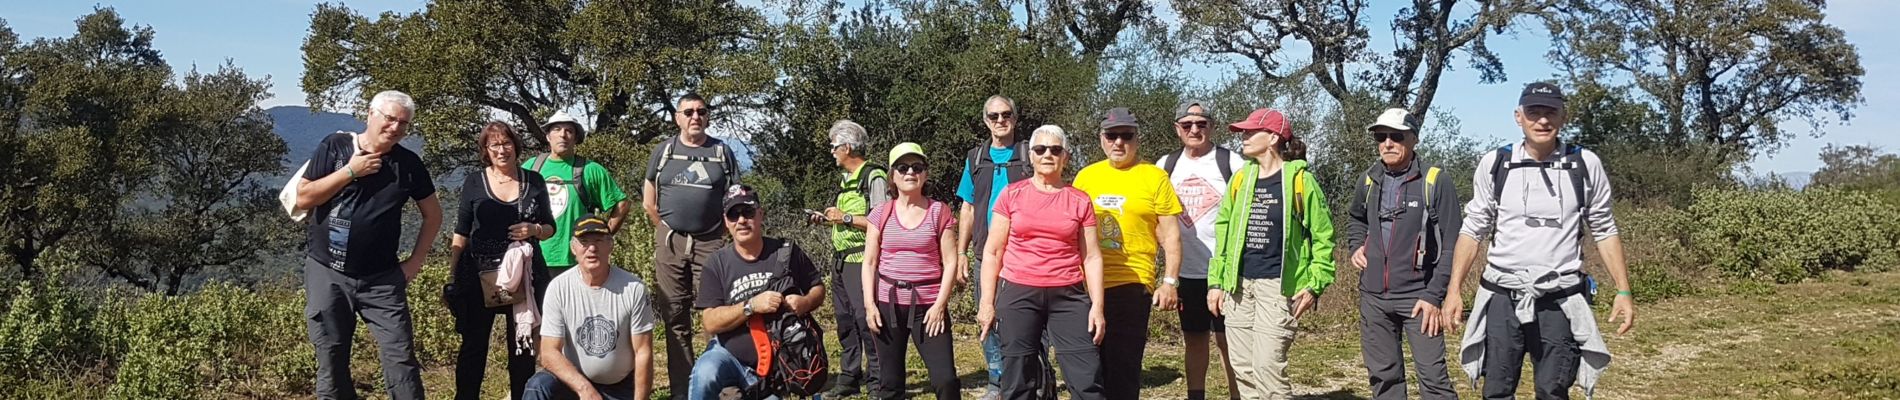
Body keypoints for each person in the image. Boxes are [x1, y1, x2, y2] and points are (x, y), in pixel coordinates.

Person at [1441, 82, 1636, 400]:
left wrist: (1623, 291)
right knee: (1497, 390)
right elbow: (1473, 229)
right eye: (1534, 112)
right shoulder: (1496, 164)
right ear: (1519, 116)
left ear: (1564, 117)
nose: (1542, 120)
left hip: (1560, 298)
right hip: (1502, 295)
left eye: (1550, 112)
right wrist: (1453, 292)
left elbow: (1604, 229)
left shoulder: (1584, 164)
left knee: (1552, 389)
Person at [291, 90, 441, 400]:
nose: (396, 128)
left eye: (403, 123)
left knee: (400, 358)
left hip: (382, 279)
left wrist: (414, 263)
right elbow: (304, 197)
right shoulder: (335, 146)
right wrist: (350, 171)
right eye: (390, 119)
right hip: (326, 271)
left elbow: (434, 216)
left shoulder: (408, 164)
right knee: (331, 357)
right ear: (370, 114)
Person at [1205, 108, 1337, 400]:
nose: (1244, 137)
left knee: (1268, 369)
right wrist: (1216, 282)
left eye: (1251, 132)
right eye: (1244, 132)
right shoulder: (1241, 179)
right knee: (1243, 369)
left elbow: (1324, 237)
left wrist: (1315, 284)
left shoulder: (1301, 181)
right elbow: (1223, 231)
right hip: (1238, 288)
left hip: (1277, 289)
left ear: (1274, 137)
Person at [976, 125, 1107, 400]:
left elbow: (1092, 256)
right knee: (1018, 379)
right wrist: (987, 303)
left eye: (1055, 149)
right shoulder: (1012, 195)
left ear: (1066, 158)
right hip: (1019, 292)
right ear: (1031, 156)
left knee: (1086, 379)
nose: (1048, 154)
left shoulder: (1079, 200)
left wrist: (1097, 306)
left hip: (1068, 295)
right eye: (1040, 149)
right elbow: (993, 252)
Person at [1342, 108, 1459, 400]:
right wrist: (1356, 245)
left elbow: (1452, 243)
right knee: (1384, 379)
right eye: (1381, 137)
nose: (1387, 143)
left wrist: (1434, 296)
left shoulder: (1434, 180)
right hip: (1373, 297)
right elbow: (1355, 218)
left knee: (1434, 382)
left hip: (1419, 297)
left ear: (1414, 139)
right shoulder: (1369, 180)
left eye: (1396, 136)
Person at [1072, 108, 1184, 400]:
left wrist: (1169, 281)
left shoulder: (1154, 177)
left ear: (1137, 139)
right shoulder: (1086, 177)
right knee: (1086, 371)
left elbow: (1170, 235)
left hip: (1132, 284)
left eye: (1126, 135)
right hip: (1085, 286)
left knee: (1123, 370)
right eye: (1112, 135)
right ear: (1101, 139)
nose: (1118, 142)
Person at [446, 122, 558, 400]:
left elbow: (550, 227)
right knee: (473, 345)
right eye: (494, 144)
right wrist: (452, 276)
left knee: (522, 345)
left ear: (516, 146)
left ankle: (522, 396)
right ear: (486, 150)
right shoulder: (474, 181)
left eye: (506, 143)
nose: (501, 149)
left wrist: (534, 230)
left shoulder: (534, 181)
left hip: (526, 275)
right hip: (478, 273)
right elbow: (461, 231)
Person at [642, 93, 742, 399]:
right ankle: (682, 390)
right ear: (678, 117)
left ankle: (720, 384)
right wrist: (665, 229)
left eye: (701, 111)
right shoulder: (664, 152)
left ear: (708, 116)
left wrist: (725, 235)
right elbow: (649, 199)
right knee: (675, 316)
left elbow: (735, 197)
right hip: (671, 242)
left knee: (717, 313)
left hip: (711, 241)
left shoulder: (721, 151)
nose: (695, 116)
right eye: (688, 112)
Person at [687, 185, 827, 400]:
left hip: (782, 365)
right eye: (733, 215)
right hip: (730, 356)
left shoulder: (786, 252)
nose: (741, 220)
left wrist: (805, 302)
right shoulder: (717, 263)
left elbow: (818, 288)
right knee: (705, 374)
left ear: (760, 214)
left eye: (748, 212)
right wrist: (750, 306)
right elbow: (710, 322)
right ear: (726, 221)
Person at [1153, 100, 1245, 400]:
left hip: (1225, 271)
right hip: (1185, 271)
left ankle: (1238, 395)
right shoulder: (1165, 165)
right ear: (1177, 129)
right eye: (1187, 124)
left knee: (1228, 340)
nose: (1195, 129)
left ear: (1212, 127)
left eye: (1201, 124)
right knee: (1193, 338)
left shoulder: (1232, 162)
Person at [861, 143, 962, 400]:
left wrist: (940, 305)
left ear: (925, 174)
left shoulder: (939, 212)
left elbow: (950, 262)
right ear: (892, 175)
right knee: (890, 382)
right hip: (888, 305)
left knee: (945, 380)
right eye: (903, 167)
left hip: (928, 307)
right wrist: (869, 305)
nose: (910, 173)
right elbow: (870, 261)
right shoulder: (880, 213)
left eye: (917, 167)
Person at [523, 214, 658, 400]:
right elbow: (548, 352)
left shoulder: (634, 288)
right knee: (537, 387)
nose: (592, 248)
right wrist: (584, 389)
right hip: (573, 383)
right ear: (573, 248)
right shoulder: (558, 288)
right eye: (584, 242)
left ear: (610, 245)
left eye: (599, 240)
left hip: (620, 387)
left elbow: (643, 352)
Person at [955, 95, 1034, 400]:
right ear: (985, 120)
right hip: (983, 255)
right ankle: (996, 380)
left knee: (1027, 320)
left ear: (1015, 117)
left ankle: (1033, 376)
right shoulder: (975, 158)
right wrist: (961, 252)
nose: (1000, 121)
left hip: (1024, 255)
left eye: (1006, 115)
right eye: (994, 116)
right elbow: (968, 207)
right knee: (986, 316)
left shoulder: (1030, 154)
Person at [818, 120, 890, 398]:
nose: (832, 151)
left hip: (862, 260)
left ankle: (878, 382)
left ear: (847, 147)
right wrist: (829, 220)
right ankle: (849, 377)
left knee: (866, 320)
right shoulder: (847, 180)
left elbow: (881, 221)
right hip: (841, 261)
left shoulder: (874, 177)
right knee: (845, 320)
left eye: (834, 146)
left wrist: (845, 218)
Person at [525, 111, 633, 278]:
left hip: (575, 260)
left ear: (575, 138)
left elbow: (622, 204)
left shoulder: (590, 169)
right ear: (548, 136)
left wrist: (602, 236)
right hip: (534, 257)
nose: (563, 135)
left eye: (569, 130)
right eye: (557, 129)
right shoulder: (531, 167)